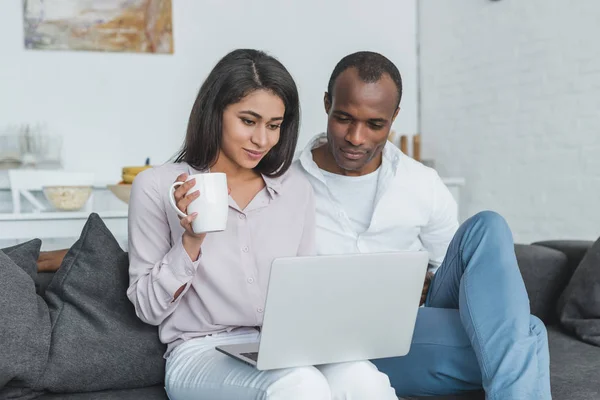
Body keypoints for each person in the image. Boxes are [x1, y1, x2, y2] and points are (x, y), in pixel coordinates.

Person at [125, 49, 398, 400]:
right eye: (248, 121)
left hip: (284, 347)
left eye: (274, 125)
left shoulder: (296, 190)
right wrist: (190, 242)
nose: (263, 140)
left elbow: (304, 293)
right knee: (300, 384)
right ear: (215, 112)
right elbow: (147, 310)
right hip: (200, 351)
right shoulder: (157, 186)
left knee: (364, 379)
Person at [295, 51, 552, 399]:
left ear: (394, 117)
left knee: (488, 226)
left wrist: (424, 278)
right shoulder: (286, 182)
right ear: (327, 103)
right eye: (344, 118)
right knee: (527, 332)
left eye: (375, 124)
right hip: (331, 343)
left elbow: (458, 272)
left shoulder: (421, 182)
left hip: (408, 329)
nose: (356, 137)